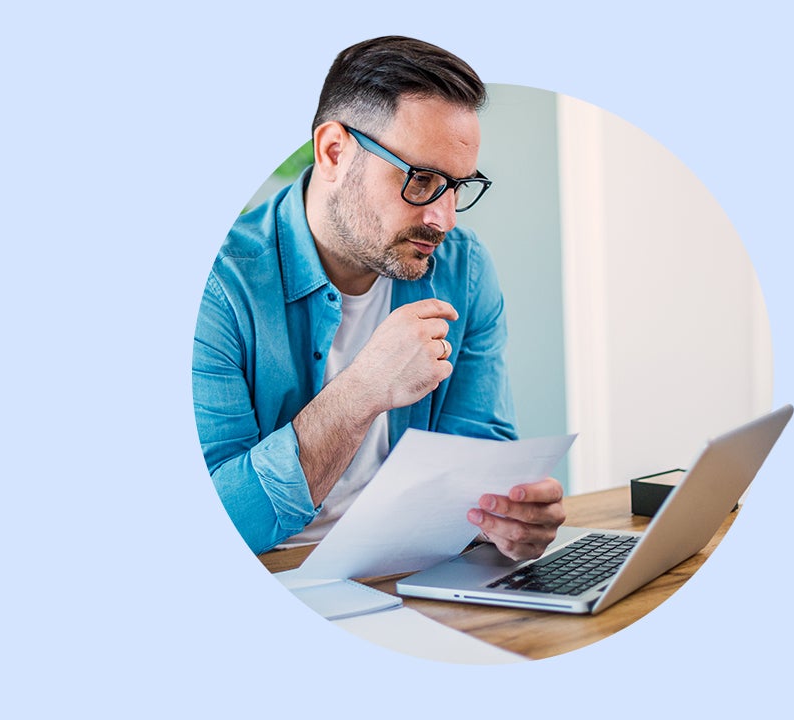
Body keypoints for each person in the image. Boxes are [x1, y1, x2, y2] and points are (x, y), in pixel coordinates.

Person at [193, 36, 565, 559]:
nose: (444, 219)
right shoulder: (217, 286)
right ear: (334, 152)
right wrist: (364, 389)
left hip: (410, 565)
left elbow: (476, 455)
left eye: (458, 185)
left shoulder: (464, 268)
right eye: (422, 179)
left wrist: (506, 516)